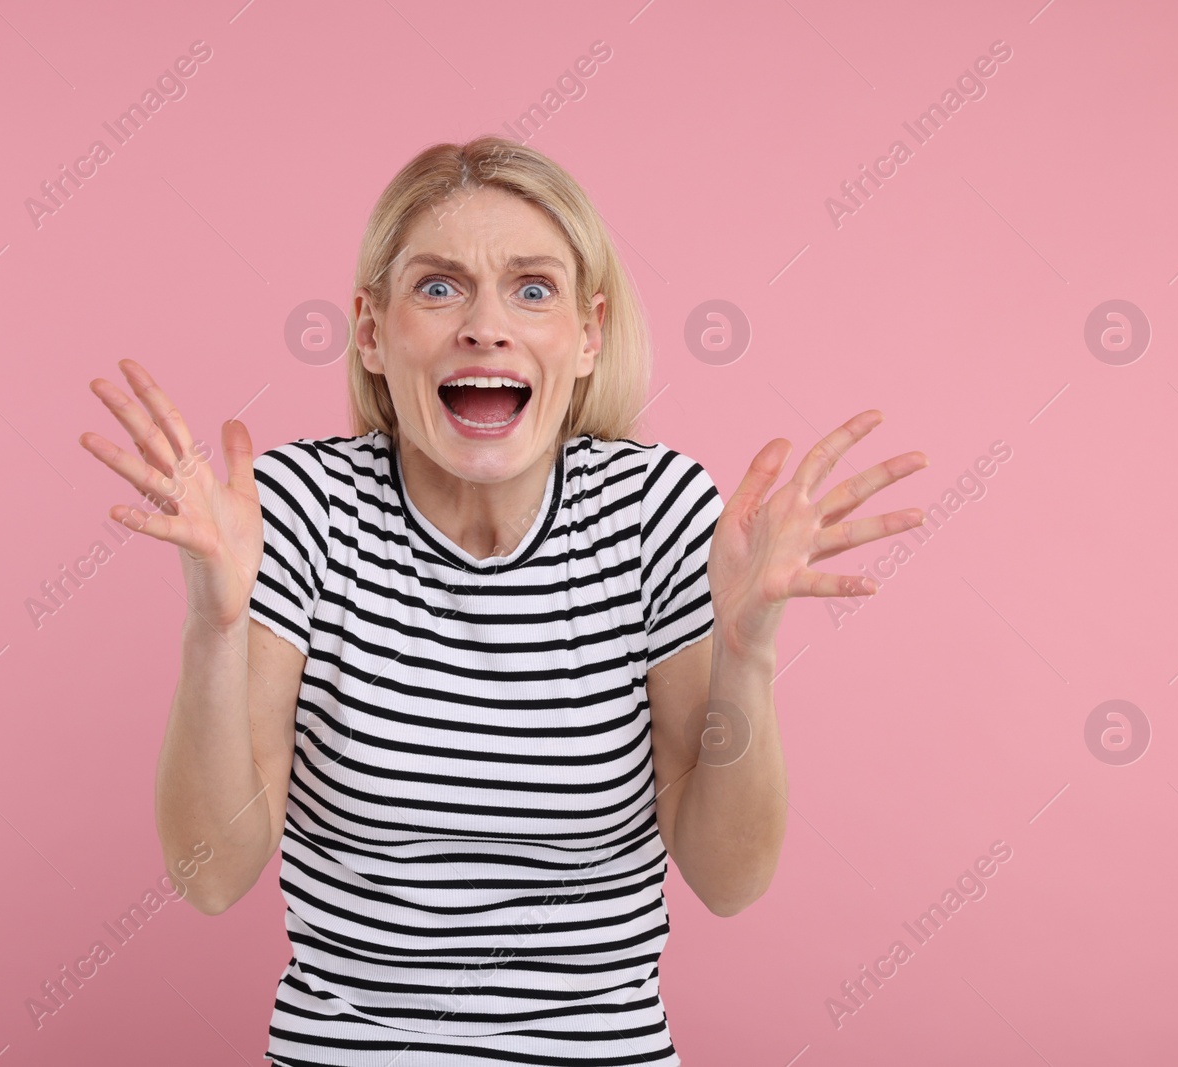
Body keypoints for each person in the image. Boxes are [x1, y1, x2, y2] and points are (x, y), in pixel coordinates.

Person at [79, 137, 928, 1065]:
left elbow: (729, 879)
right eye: (439, 287)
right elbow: (211, 877)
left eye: (532, 289)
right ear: (370, 329)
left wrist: (748, 647)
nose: (486, 325)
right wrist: (216, 624)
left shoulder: (656, 515)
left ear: (589, 331)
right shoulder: (296, 512)